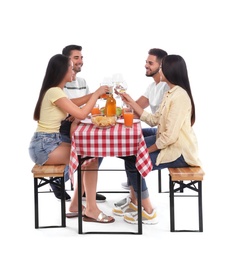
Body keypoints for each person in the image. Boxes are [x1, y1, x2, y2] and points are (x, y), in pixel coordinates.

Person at [114, 54, 201, 224]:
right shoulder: (171, 93)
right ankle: (135, 201)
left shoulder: (180, 97)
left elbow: (170, 137)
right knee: (130, 151)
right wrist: (130, 101)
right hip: (169, 143)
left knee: (134, 158)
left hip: (179, 152)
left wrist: (146, 151)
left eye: (161, 67)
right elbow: (154, 120)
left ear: (170, 70)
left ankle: (148, 211)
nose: (159, 70)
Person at [29, 54, 114, 223]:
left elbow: (74, 102)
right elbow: (82, 112)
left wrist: (92, 95)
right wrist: (96, 94)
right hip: (44, 146)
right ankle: (90, 208)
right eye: (70, 67)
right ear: (62, 70)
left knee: (90, 156)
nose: (73, 70)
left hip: (48, 142)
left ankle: (76, 205)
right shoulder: (54, 91)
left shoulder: (56, 91)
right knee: (91, 157)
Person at [49, 44, 106, 203]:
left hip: (81, 122)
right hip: (64, 127)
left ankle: (85, 190)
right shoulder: (59, 84)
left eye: (81, 57)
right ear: (65, 61)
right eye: (76, 58)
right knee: (81, 154)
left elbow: (87, 105)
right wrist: (80, 109)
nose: (80, 61)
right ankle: (57, 181)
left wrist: (81, 111)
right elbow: (68, 105)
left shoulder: (81, 81)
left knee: (99, 148)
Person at [120, 48, 169, 190]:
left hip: (165, 133)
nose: (146, 65)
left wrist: (130, 109)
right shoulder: (152, 86)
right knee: (133, 136)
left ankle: (136, 190)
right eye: (146, 62)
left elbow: (148, 116)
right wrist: (124, 107)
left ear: (161, 66)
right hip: (157, 128)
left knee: (132, 147)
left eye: (150, 63)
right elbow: (137, 108)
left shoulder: (167, 87)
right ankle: (132, 182)